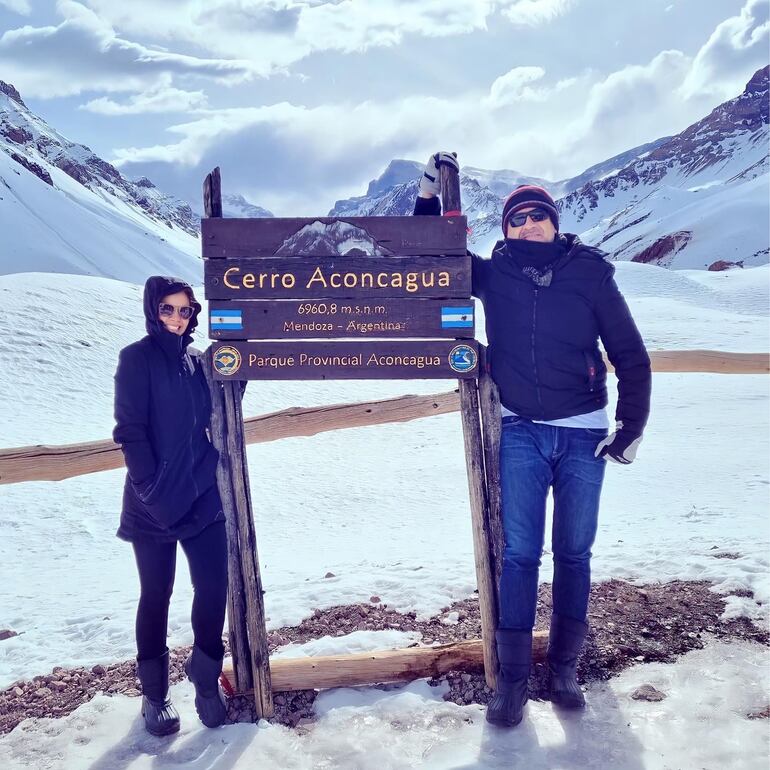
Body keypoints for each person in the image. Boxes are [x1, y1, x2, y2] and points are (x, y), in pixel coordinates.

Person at [415, 153, 651, 727]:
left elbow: (631, 353)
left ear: (554, 221)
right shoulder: (493, 275)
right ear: (506, 228)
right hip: (519, 429)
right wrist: (428, 192)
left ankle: (565, 668)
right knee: (520, 554)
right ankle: (513, 681)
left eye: (536, 218)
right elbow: (431, 252)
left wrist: (631, 428)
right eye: (516, 220)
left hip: (583, 435)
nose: (527, 228)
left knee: (574, 553)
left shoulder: (589, 272)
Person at [113, 276, 229, 736]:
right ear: (152, 310)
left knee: (213, 586)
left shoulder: (197, 362)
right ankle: (155, 696)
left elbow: (216, 408)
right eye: (168, 309)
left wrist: (240, 373)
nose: (177, 319)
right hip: (151, 503)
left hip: (201, 494)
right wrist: (150, 488)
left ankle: (204, 677)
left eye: (184, 311)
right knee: (156, 594)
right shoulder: (135, 359)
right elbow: (130, 431)